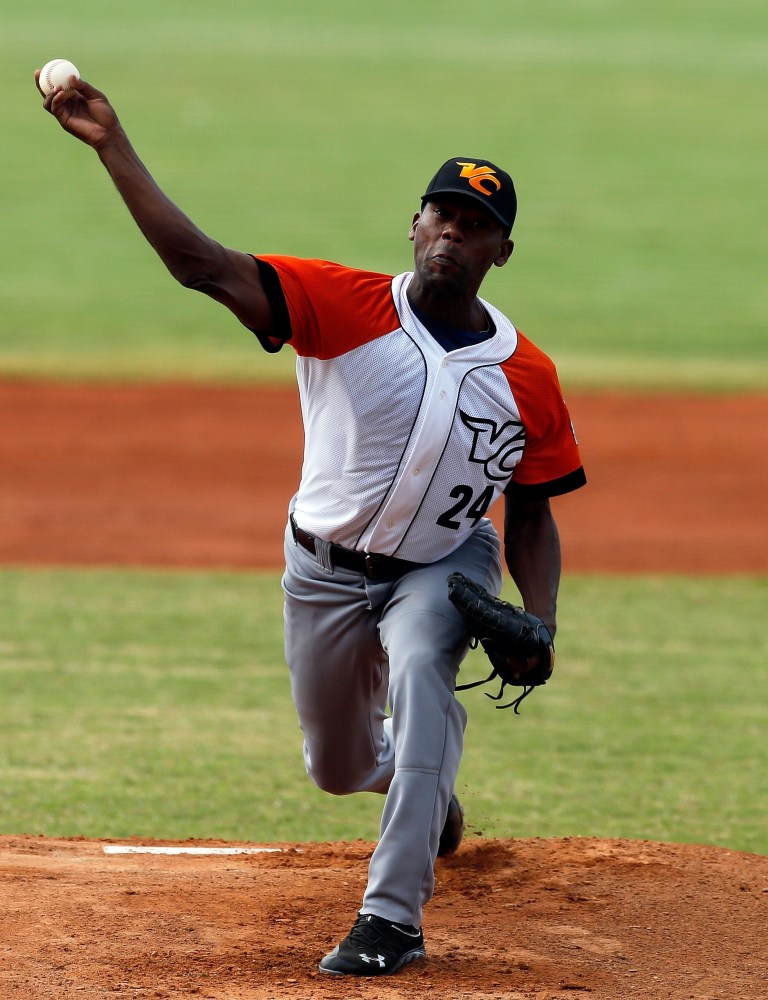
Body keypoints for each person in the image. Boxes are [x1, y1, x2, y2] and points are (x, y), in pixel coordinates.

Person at [38, 72, 587, 977]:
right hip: (322, 570)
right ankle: (425, 798)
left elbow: (531, 510)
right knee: (337, 764)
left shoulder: (527, 375)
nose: (455, 231)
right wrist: (112, 145)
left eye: (477, 223)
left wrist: (545, 621)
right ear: (413, 226)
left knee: (421, 680)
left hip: (443, 569)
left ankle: (393, 917)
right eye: (441, 214)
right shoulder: (342, 306)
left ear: (503, 250)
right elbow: (201, 265)